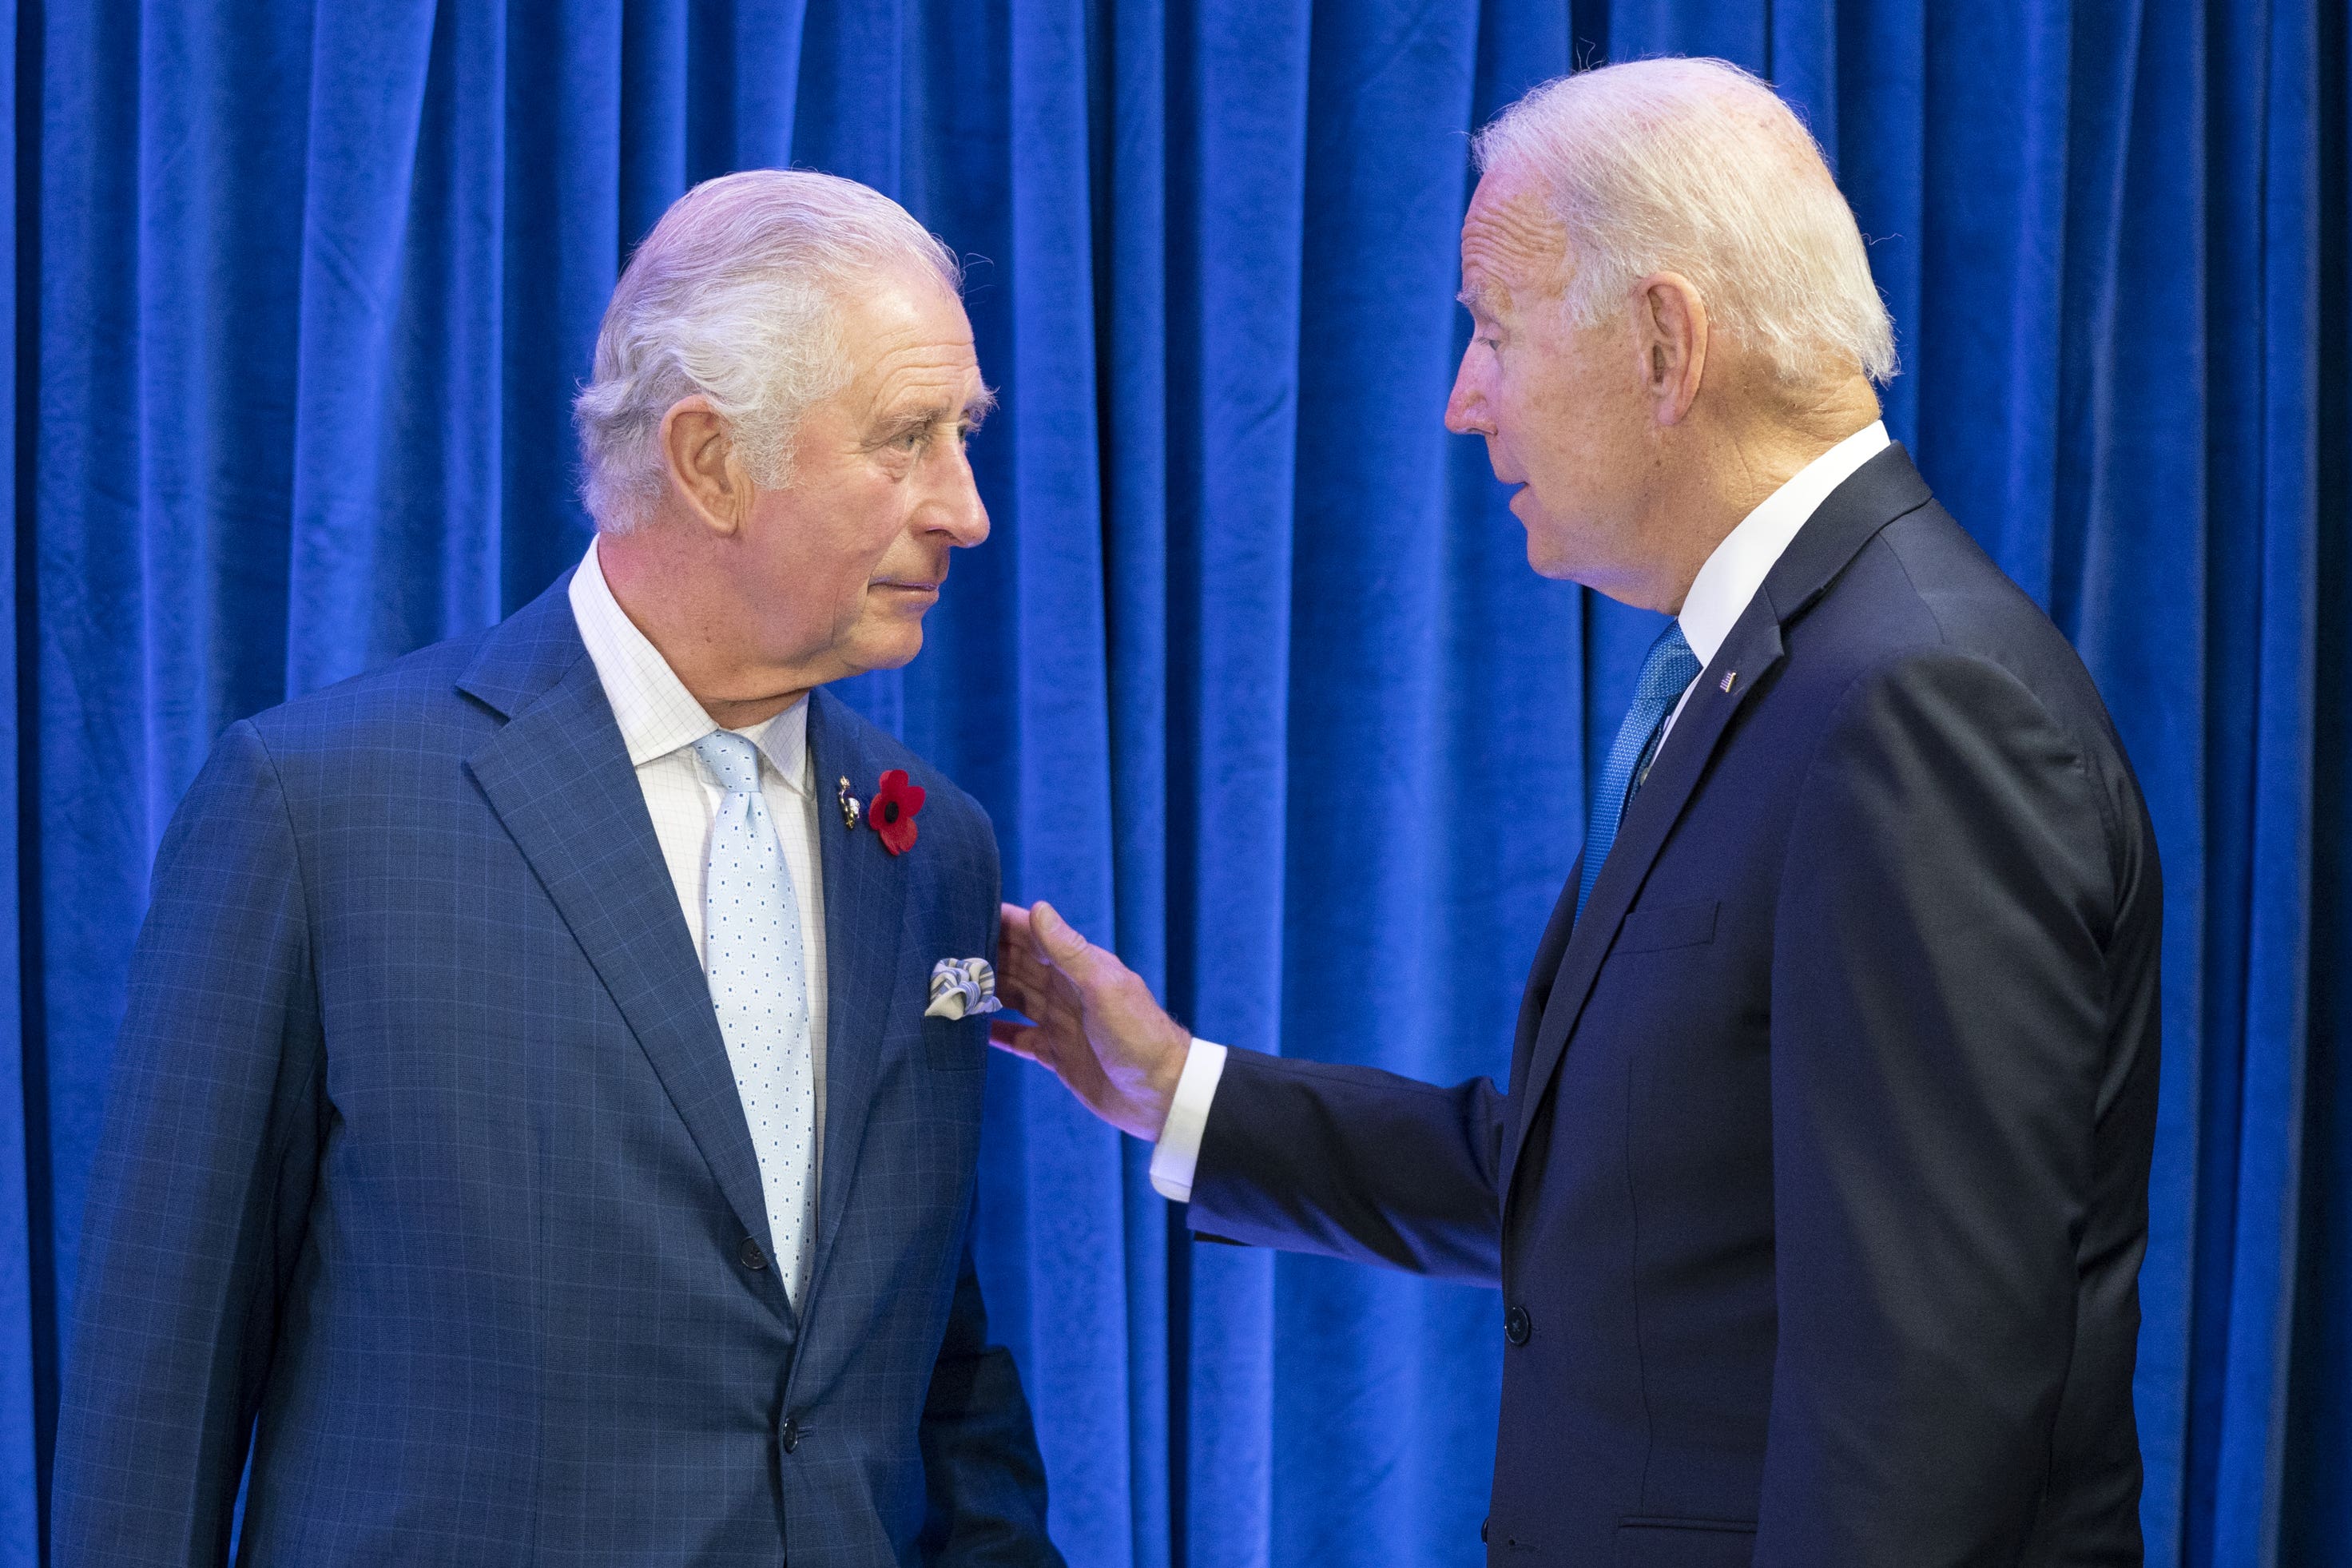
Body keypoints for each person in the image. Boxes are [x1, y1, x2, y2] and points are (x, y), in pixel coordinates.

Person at [992, 58, 2159, 1566]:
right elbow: (1619, 1187)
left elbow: (1917, 1413)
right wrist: (1175, 1090)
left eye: (1493, 330)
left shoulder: (1916, 705)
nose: (1462, 399)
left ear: (1666, 344)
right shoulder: (1775, 673)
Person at [54, 170, 1062, 1566]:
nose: (965, 509)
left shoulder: (927, 839)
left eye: (964, 436)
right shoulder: (320, 814)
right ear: (710, 461)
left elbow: (934, 1367)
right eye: (907, 440)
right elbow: (153, 1416)